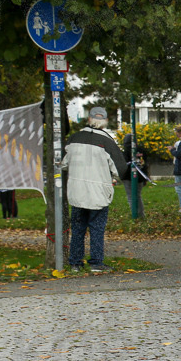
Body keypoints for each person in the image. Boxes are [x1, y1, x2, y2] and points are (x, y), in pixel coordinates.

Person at [59, 107, 128, 273]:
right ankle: (96, 263)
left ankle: (75, 262)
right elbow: (121, 170)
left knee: (78, 228)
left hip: (77, 191)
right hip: (98, 191)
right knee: (97, 227)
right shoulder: (107, 142)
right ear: (104, 122)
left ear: (88, 119)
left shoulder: (73, 138)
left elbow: (63, 163)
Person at [121, 130, 149, 217]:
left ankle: (135, 215)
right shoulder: (141, 150)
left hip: (128, 177)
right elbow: (146, 163)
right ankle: (141, 214)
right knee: (138, 196)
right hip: (140, 176)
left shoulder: (125, 152)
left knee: (131, 197)